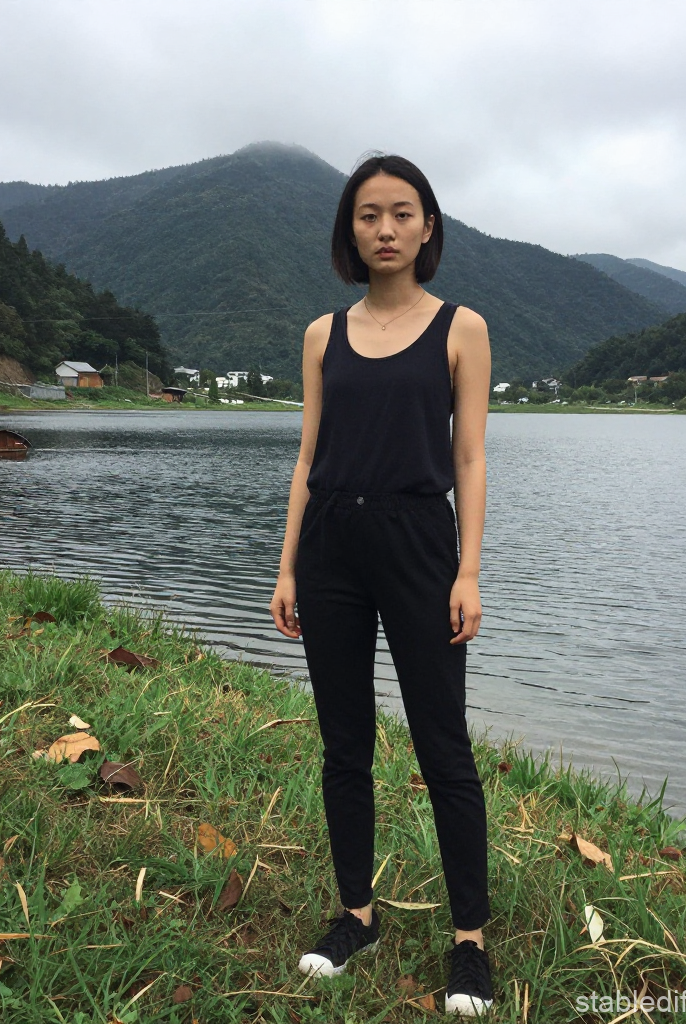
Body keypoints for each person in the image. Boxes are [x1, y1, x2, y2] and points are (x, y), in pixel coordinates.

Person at [269, 154, 493, 1016]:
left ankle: (469, 940)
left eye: (403, 213)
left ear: (428, 227)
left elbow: (469, 457)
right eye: (369, 215)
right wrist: (288, 564)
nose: (387, 229)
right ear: (350, 231)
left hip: (418, 542)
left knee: (444, 747)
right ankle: (356, 913)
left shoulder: (460, 328)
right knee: (343, 741)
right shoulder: (323, 334)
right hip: (330, 544)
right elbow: (307, 456)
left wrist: (468, 569)